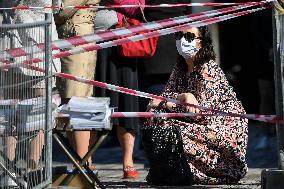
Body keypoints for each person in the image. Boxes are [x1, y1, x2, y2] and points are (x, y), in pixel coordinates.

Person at [141, 26, 248, 185]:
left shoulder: (208, 69)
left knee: (172, 132)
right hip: (195, 123)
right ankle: (173, 170)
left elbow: (200, 114)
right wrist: (181, 97)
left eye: (189, 37)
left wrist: (172, 101)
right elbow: (158, 101)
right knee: (157, 120)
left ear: (201, 42)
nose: (182, 41)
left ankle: (220, 169)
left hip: (221, 129)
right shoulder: (180, 68)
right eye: (179, 36)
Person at [94, 0, 144, 179]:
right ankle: (86, 162)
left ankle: (128, 162)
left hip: (123, 44)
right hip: (91, 43)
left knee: (126, 103)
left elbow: (137, 6)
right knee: (91, 104)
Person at [55, 0, 100, 170]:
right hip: (69, 40)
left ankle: (83, 162)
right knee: (70, 103)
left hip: (78, 42)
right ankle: (78, 161)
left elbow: (62, 12)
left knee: (79, 101)